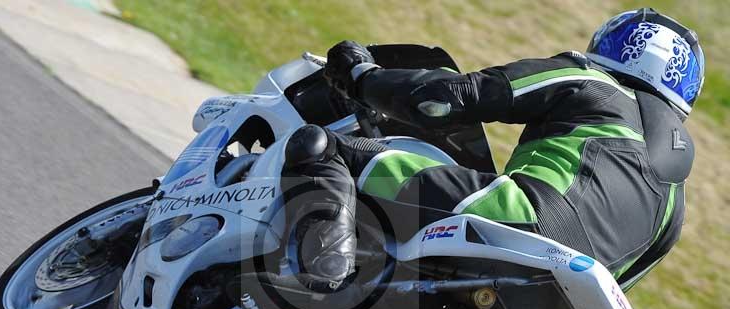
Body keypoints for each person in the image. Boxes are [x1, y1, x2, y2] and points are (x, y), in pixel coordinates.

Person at [281, 8, 704, 292]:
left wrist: (360, 76)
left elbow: (444, 99)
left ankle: (320, 275)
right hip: (571, 303)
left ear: (613, 46)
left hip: (522, 222)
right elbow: (625, 286)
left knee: (324, 148)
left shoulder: (589, 82)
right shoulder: (676, 200)